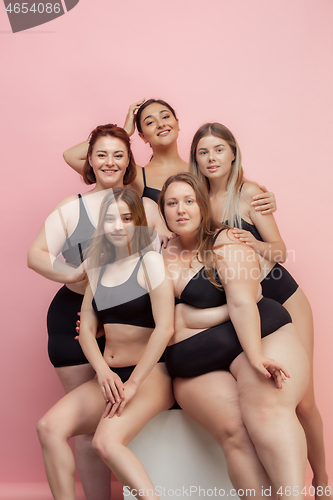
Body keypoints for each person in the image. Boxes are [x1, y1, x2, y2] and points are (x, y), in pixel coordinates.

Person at [186, 122, 331, 497]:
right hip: (246, 303)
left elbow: (281, 251)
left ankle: (323, 479)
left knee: (305, 402)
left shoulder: (248, 193)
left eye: (219, 149)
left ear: (233, 153)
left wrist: (252, 240)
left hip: (282, 296)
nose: (211, 157)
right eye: (203, 151)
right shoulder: (195, 199)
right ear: (195, 159)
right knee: (275, 396)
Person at [27, 124, 166, 500]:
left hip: (130, 319)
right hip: (76, 317)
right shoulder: (71, 208)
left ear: (129, 162)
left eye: (118, 154)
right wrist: (76, 274)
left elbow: (167, 261)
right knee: (86, 427)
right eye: (100, 154)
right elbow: (35, 255)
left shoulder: (147, 209)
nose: (109, 161)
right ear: (88, 160)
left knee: (111, 425)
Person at [159, 172, 309, 499]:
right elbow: (164, 322)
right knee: (234, 431)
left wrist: (254, 355)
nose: (181, 209)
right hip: (197, 358)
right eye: (172, 203)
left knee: (267, 412)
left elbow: (243, 301)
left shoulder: (226, 240)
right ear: (163, 211)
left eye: (189, 201)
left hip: (254, 334)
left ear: (202, 206)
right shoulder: (160, 255)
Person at [63, 98, 277, 213]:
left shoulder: (201, 169)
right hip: (156, 264)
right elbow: (72, 156)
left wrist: (263, 198)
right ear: (142, 136)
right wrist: (123, 133)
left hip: (198, 262)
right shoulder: (135, 175)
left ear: (177, 124)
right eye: (149, 122)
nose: (160, 123)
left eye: (165, 116)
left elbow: (234, 192)